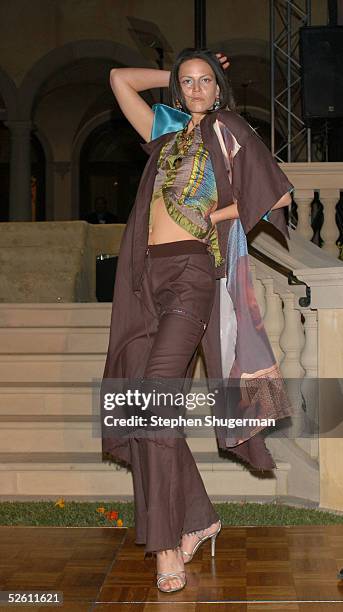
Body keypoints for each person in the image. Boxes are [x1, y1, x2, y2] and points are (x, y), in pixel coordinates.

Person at [100, 48, 294, 594]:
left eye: (205, 79)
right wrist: (178, 69)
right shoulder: (164, 130)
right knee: (138, 403)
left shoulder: (229, 128)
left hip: (190, 276)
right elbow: (118, 77)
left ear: (219, 87)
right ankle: (199, 515)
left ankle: (166, 547)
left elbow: (274, 190)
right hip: (143, 278)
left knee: (155, 398)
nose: (196, 88)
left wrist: (219, 213)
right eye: (187, 82)